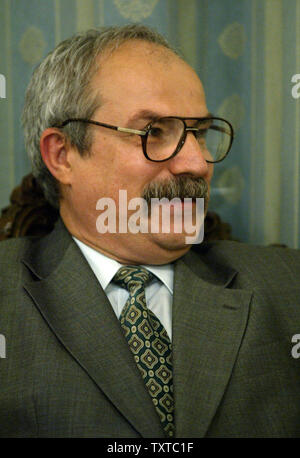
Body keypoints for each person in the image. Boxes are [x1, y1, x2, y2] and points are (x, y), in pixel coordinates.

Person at [0, 24, 300, 439]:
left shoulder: (289, 284)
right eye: (154, 132)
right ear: (63, 155)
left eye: (198, 133)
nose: (197, 164)